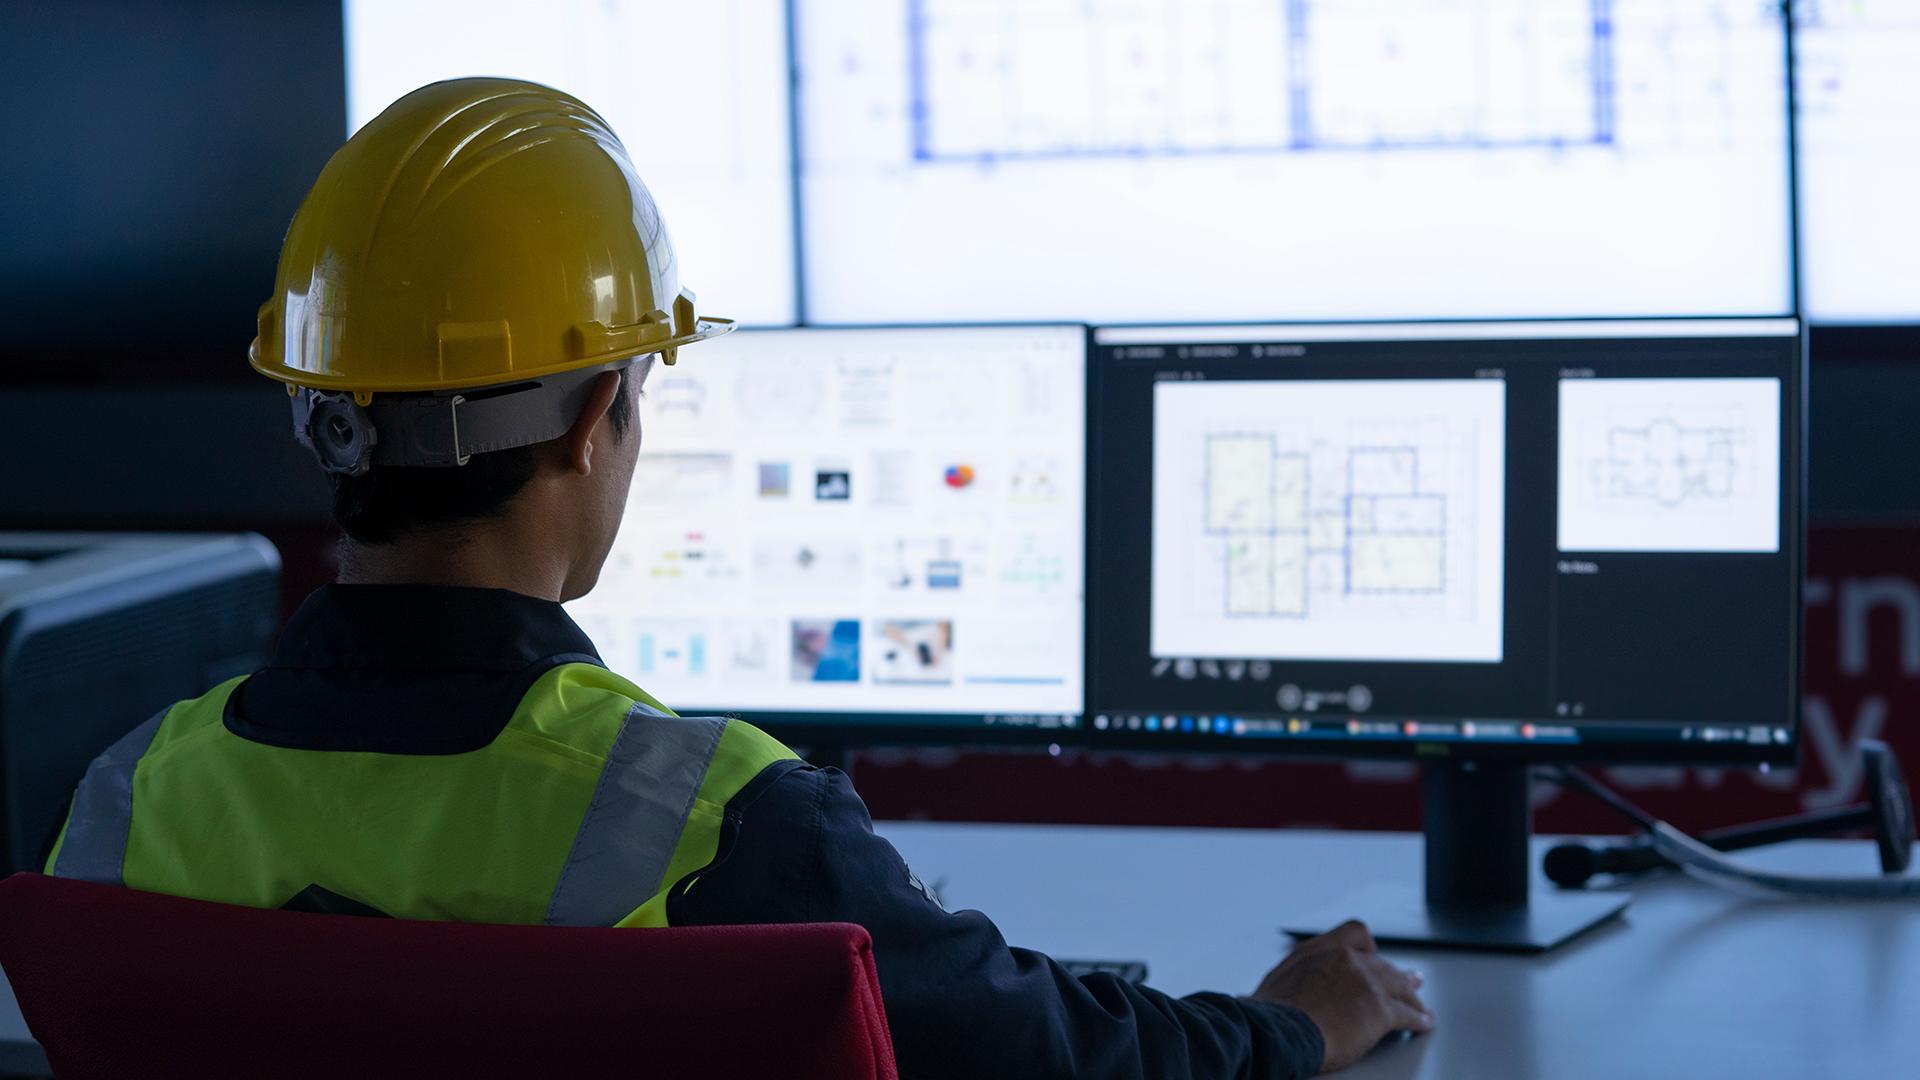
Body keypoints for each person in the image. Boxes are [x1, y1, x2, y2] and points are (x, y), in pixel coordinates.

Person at [46, 78, 1432, 1077]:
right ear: (597, 420)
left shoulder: (124, 804)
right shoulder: (723, 819)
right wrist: (1290, 1023)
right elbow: (1064, 1055)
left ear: (318, 418)